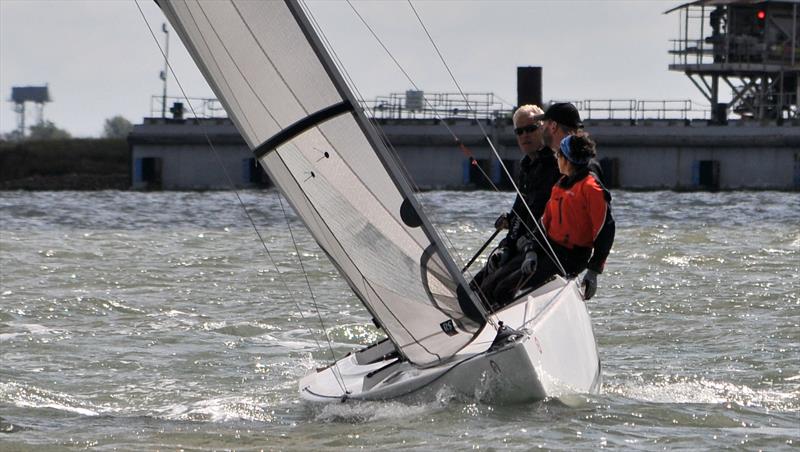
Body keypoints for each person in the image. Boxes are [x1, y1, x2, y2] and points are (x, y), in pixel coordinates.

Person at [487, 131, 615, 306]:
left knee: (503, 289)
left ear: (567, 159)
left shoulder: (591, 189)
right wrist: (531, 249)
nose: (556, 158)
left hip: (569, 258)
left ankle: (504, 326)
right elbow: (544, 222)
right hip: (546, 248)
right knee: (492, 282)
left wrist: (593, 271)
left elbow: (606, 230)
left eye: (558, 154)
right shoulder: (561, 183)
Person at [470, 104, 561, 301]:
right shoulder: (527, 165)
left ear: (543, 129)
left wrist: (525, 245)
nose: (524, 136)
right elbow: (522, 208)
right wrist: (509, 223)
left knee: (495, 289)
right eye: (519, 131)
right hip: (520, 241)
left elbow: (542, 210)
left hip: (542, 247)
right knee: (474, 286)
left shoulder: (555, 164)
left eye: (530, 129)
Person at [534, 102, 605, 183]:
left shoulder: (584, 168)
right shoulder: (553, 163)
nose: (541, 127)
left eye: (544, 123)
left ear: (553, 126)